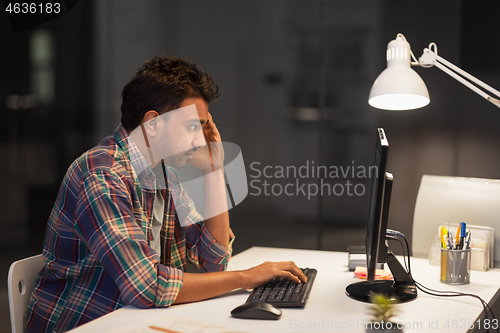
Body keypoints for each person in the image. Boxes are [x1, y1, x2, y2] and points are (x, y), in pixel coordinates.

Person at [25, 55, 306, 333]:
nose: (200, 140)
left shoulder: (163, 173)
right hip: (86, 324)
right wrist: (246, 277)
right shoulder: (104, 175)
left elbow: (213, 261)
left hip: (133, 319)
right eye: (192, 126)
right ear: (153, 124)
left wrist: (213, 171)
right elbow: (146, 287)